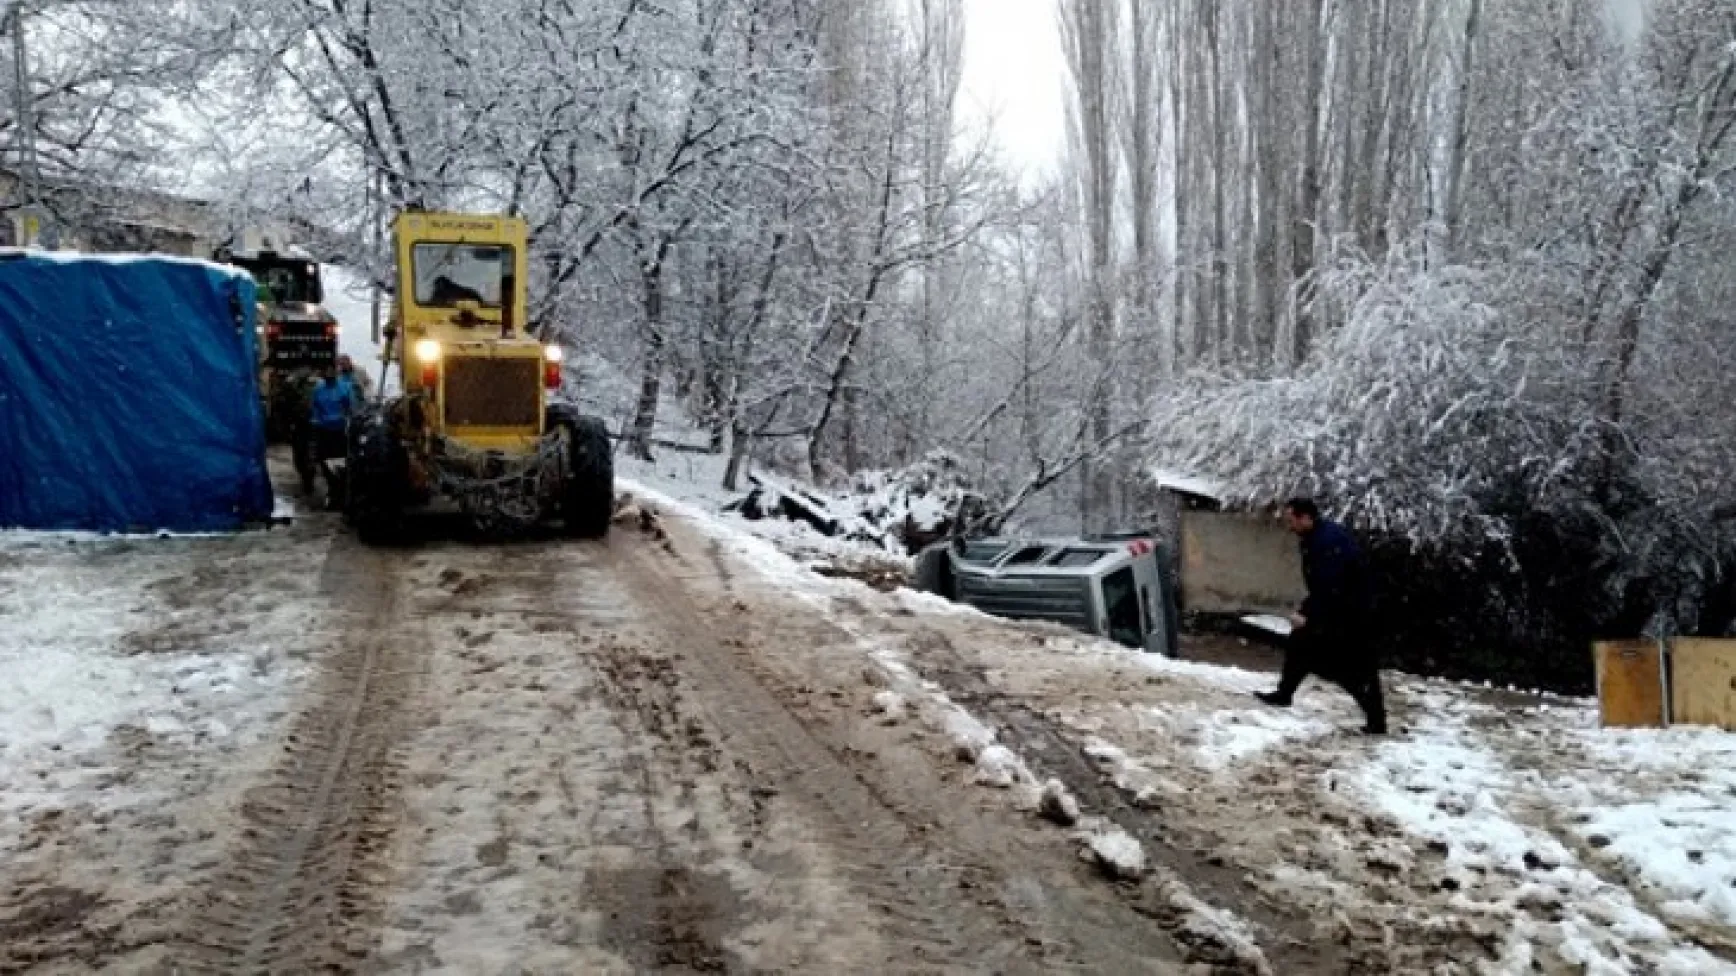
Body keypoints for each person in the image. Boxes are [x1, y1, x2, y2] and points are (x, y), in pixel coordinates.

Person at [1255, 498, 1388, 735]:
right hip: (1343, 607)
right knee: (1300, 645)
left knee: (1350, 667)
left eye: (1292, 520)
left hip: (1351, 613)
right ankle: (1284, 694)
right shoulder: (1317, 537)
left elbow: (1331, 586)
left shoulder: (1327, 542)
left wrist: (1308, 614)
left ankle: (1376, 721)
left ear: (1306, 518)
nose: (1289, 526)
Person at [307, 365, 355, 509]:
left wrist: (348, 421)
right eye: (326, 371)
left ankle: (340, 491)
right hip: (324, 430)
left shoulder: (345, 387)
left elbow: (351, 407)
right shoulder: (318, 389)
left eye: (331, 371)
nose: (329, 373)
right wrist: (315, 420)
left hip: (340, 431)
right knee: (325, 461)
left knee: (340, 461)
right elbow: (314, 408)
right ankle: (333, 489)